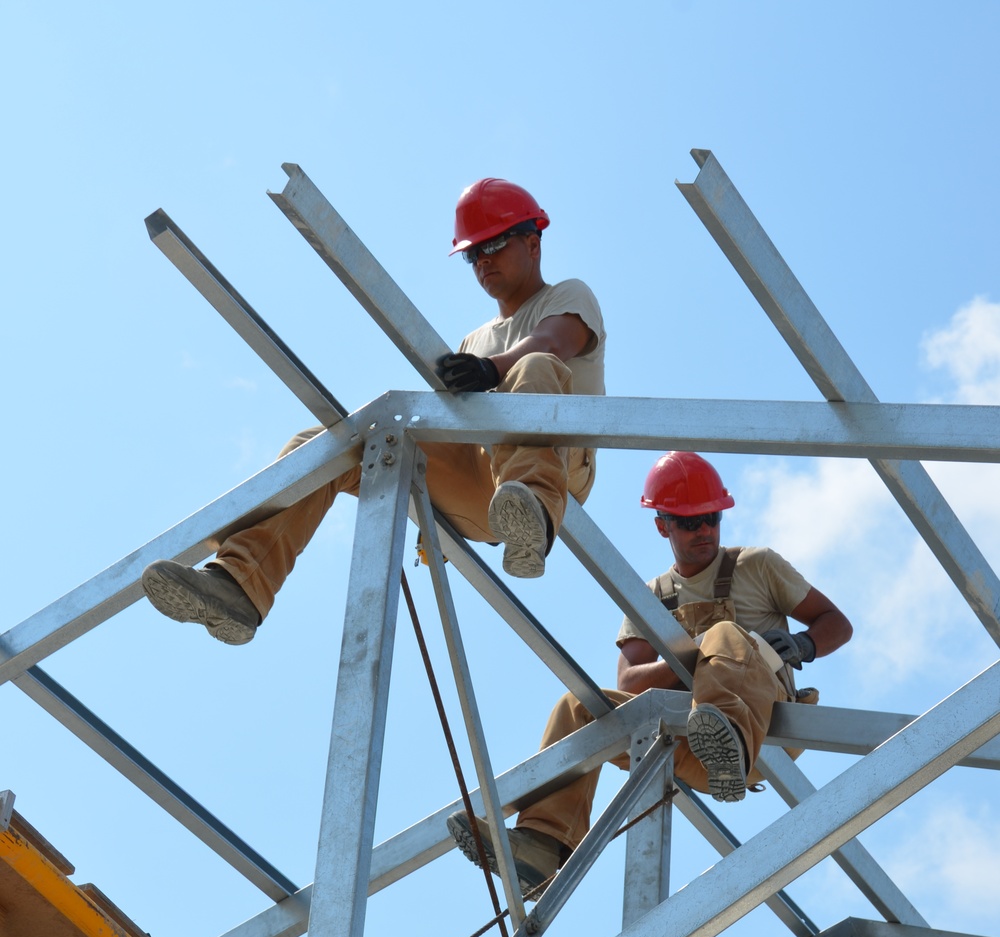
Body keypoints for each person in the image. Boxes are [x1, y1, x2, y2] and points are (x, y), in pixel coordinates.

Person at [140, 178, 606, 644]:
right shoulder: (474, 341)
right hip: (482, 486)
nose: (483, 261)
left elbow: (550, 344)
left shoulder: (568, 296)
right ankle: (239, 584)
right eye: (473, 253)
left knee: (535, 366)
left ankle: (534, 519)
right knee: (329, 445)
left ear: (532, 241)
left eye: (496, 244)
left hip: (555, 467)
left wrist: (490, 369)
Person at [449, 451, 853, 890]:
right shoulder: (652, 596)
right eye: (689, 522)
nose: (705, 531)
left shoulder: (756, 566)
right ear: (662, 525)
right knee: (578, 707)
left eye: (712, 518)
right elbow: (629, 681)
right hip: (686, 741)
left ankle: (729, 739)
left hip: (759, 734)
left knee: (726, 636)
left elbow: (836, 622)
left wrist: (803, 643)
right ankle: (544, 845)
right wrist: (695, 653)